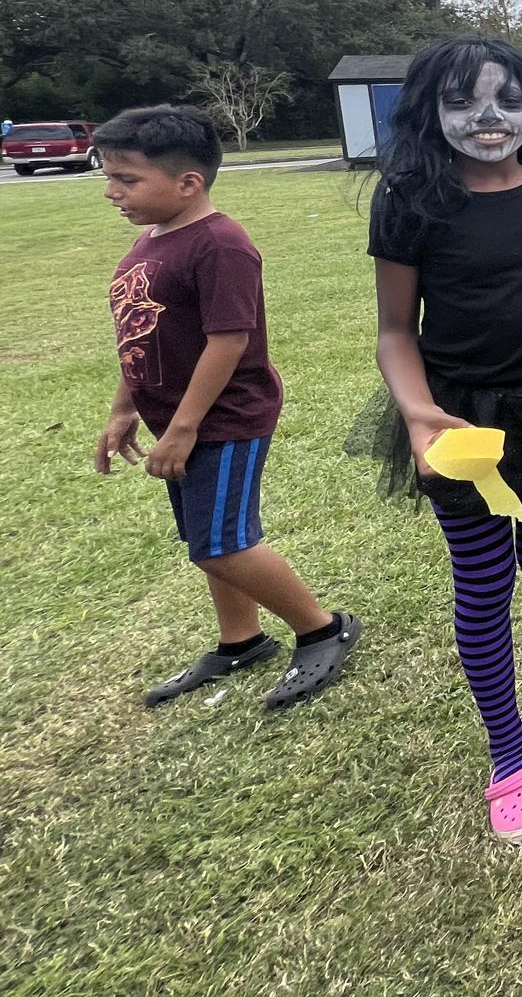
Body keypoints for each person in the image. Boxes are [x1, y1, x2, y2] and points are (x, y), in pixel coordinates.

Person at [362, 37, 522, 843]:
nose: (487, 118)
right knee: (482, 581)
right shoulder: (410, 200)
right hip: (460, 419)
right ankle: (508, 752)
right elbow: (395, 332)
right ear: (428, 111)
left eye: (508, 101)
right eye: (463, 101)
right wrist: (416, 413)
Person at [92, 104, 360, 710]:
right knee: (205, 538)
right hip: (175, 419)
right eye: (108, 177)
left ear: (189, 182)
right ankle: (240, 639)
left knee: (222, 542)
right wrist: (123, 409)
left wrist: (185, 426)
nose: (112, 192)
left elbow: (229, 339)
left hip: (223, 419)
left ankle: (322, 627)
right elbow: (141, 334)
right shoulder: (154, 240)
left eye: (127, 179)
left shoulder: (220, 245)